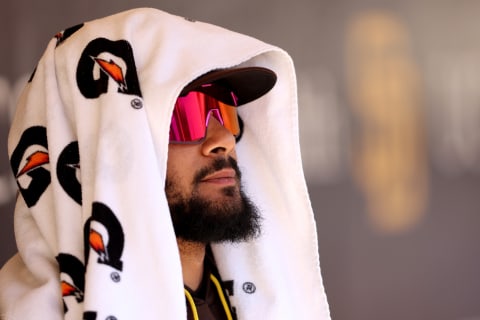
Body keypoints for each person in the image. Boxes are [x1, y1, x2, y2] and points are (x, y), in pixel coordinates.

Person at [0, 7, 330, 320]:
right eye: (186, 115)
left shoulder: (263, 303)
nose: (224, 141)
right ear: (97, 147)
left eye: (227, 112)